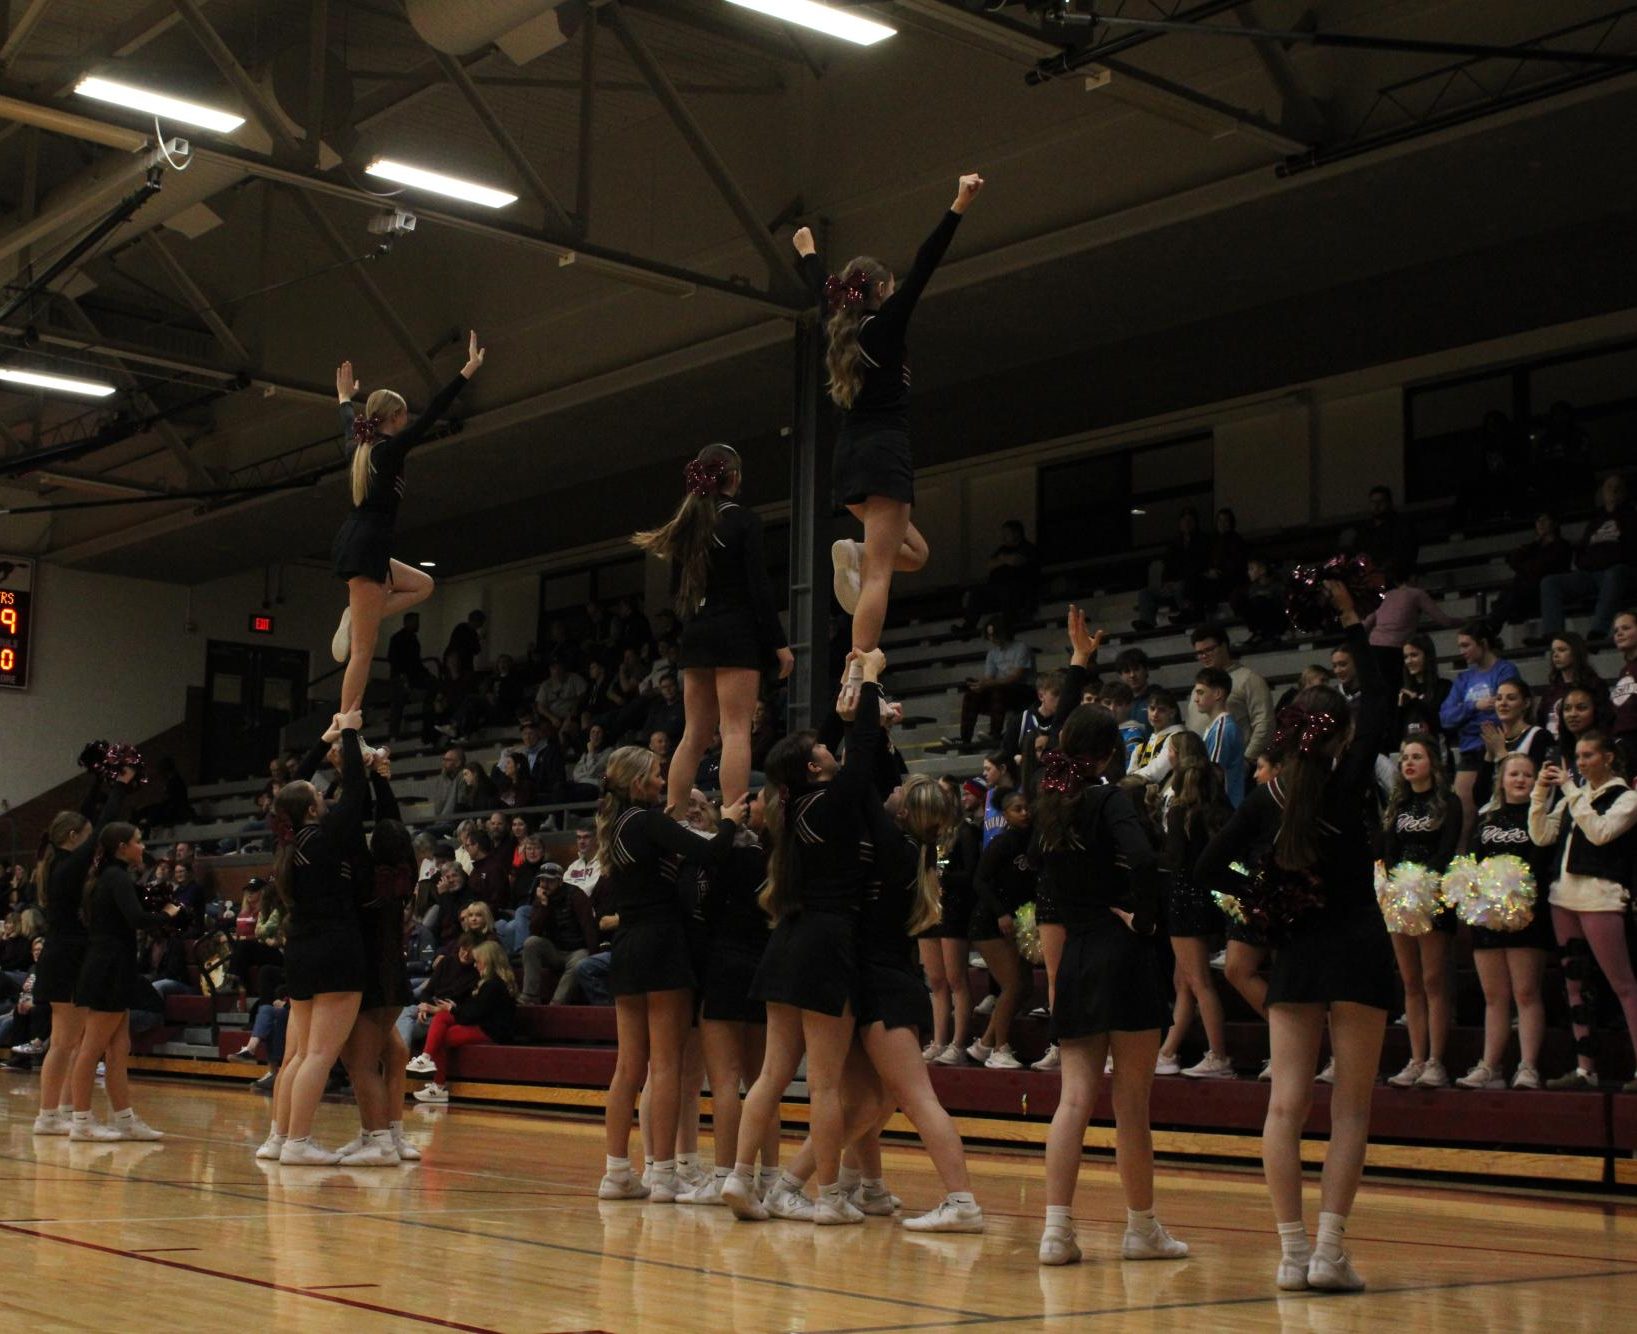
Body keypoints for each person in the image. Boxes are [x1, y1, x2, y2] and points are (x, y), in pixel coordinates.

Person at [1196, 581, 1394, 1293]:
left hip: (1299, 959)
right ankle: (1330, 1253)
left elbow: (1202, 870)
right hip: (1360, 955)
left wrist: (1262, 900)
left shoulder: (1263, 800)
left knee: (1285, 1105)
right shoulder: (1345, 786)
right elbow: (1376, 699)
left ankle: (1290, 1253)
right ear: (1339, 735)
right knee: (1349, 1107)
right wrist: (1350, 621)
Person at [1034, 608, 1188, 1267]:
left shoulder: (1049, 796)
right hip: (1121, 953)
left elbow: (1052, 739)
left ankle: (1055, 1232)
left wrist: (1076, 666)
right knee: (1131, 1106)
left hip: (1072, 957)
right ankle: (1139, 1228)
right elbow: (1149, 864)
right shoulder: (1108, 798)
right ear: (1109, 754)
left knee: (1072, 1099)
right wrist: (1148, 920)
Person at [793, 176, 985, 687]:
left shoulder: (843, 324)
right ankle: (858, 673)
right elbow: (926, 263)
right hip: (883, 454)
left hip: (851, 461)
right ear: (881, 291)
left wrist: (809, 250)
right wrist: (959, 205)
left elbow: (821, 286)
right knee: (879, 575)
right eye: (890, 287)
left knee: (915, 556)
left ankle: (855, 552)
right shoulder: (884, 325)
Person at [722, 650, 888, 1221]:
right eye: (822, 749)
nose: (828, 748)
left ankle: (741, 1178)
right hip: (825, 943)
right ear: (816, 768)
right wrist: (867, 686)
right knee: (823, 1084)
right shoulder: (834, 801)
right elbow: (861, 761)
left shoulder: (794, 809)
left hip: (787, 941)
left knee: (771, 1073)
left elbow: (817, 751)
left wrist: (842, 710)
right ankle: (828, 1199)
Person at [596, 747, 744, 1202]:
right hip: (661, 945)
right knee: (665, 1066)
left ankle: (616, 1172)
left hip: (626, 948)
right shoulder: (646, 821)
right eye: (657, 776)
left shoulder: (616, 828)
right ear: (638, 782)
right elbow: (710, 852)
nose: (663, 783)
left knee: (627, 1069)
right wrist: (732, 820)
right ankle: (662, 1174)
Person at [633, 442, 794, 817]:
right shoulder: (745, 521)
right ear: (734, 477)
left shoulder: (688, 526)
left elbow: (677, 593)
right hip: (735, 631)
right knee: (736, 729)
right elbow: (760, 589)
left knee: (694, 734)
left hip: (697, 632)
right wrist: (779, 644)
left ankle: (671, 816)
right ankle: (733, 818)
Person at [328, 335, 485, 716]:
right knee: (364, 652)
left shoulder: (359, 446)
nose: (408, 420)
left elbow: (349, 421)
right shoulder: (387, 449)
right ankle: (346, 725)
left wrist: (345, 398)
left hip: (366, 543)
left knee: (424, 585)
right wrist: (467, 371)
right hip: (365, 547)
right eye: (403, 415)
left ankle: (355, 615)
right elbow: (434, 412)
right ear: (394, 418)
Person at [259, 714, 370, 1166]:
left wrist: (321, 743)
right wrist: (349, 738)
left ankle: (280, 1137)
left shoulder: (287, 842)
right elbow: (359, 793)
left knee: (300, 1054)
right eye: (318, 796)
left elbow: (292, 790)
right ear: (309, 810)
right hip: (334, 949)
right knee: (319, 1056)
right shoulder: (325, 836)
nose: (324, 795)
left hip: (301, 951)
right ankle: (298, 1144)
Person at [29, 765, 137, 1136]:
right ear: (74, 837)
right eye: (87, 837)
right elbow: (103, 825)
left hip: (60, 953)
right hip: (70, 955)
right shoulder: (70, 864)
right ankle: (67, 1116)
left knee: (64, 1041)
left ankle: (53, 1113)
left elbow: (88, 818)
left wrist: (97, 782)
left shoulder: (57, 861)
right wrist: (120, 788)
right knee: (67, 1042)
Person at [1528, 731, 1637, 1092]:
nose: (1581, 762)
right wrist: (1541, 793)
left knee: (1623, 985)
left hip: (1600, 899)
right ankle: (1585, 1068)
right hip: (1563, 899)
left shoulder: (1626, 798)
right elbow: (1541, 836)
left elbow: (1600, 832)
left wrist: (1571, 791)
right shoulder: (1574, 798)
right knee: (1575, 985)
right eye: (1578, 755)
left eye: (1589, 754)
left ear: (1608, 757)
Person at [67, 822, 181, 1141]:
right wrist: (169, 915)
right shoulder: (116, 877)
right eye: (138, 841)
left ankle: (125, 1120)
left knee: (119, 1047)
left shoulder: (110, 876)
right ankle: (81, 1121)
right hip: (108, 967)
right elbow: (137, 918)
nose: (142, 847)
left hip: (114, 965)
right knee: (91, 1048)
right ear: (121, 847)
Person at [1456, 753, 1557, 1090]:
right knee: (1494, 996)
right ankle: (1491, 1066)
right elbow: (1472, 863)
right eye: (1514, 774)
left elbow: (1541, 866)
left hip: (1527, 915)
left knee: (1526, 993)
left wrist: (1517, 897)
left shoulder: (1539, 818)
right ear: (1502, 779)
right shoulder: (1487, 820)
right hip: (1487, 917)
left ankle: (1528, 1067)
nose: (1520, 780)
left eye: (1528, 775)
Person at [1380, 737, 1461, 1089]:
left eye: (1417, 756)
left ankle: (1436, 1061)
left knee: (1432, 980)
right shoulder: (1398, 804)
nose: (1409, 762)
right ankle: (1415, 1058)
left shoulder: (1448, 802)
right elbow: (1389, 850)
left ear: (1433, 762)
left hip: (1433, 894)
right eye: (1405, 758)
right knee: (1410, 982)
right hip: (1400, 896)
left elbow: (1446, 851)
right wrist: (1394, 885)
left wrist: (1423, 884)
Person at [1153, 732, 1234, 1080]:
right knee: (1184, 981)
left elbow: (1170, 860)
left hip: (1184, 900)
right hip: (1202, 900)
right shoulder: (1214, 812)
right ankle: (1168, 1052)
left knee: (1198, 982)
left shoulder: (1181, 815)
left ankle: (1219, 1056)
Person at [965, 792, 1034, 1071]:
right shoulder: (1002, 843)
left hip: (1015, 922)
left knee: (1025, 986)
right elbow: (980, 880)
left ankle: (983, 1045)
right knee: (1013, 985)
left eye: (1026, 807)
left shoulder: (1031, 842)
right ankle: (999, 1049)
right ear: (1004, 815)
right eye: (1017, 809)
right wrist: (1000, 913)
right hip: (989, 923)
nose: (1025, 812)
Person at [1440, 622, 1522, 850]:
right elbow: (1446, 717)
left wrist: (1467, 713)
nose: (1461, 651)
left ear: (1483, 644)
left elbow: (1502, 710)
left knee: (1496, 814)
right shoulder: (1464, 679)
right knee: (1463, 819)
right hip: (1469, 752)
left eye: (1466, 645)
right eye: (1459, 645)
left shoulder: (1505, 671)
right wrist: (1475, 705)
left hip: (1498, 746)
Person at [409, 940, 518, 1104]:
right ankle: (426, 1061)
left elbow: (473, 1015)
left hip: (492, 1031)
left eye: (478, 961)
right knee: (441, 1018)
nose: (475, 966)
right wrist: (453, 1009)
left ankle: (435, 1079)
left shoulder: (493, 985)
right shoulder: (491, 983)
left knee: (442, 1036)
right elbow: (473, 1011)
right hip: (484, 1026)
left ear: (487, 961)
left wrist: (453, 1009)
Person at [924, 777, 981, 1066]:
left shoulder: (965, 831)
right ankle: (938, 1040)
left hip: (954, 909)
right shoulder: (929, 833)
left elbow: (971, 874)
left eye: (945, 792)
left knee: (956, 978)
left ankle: (959, 1043)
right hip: (930, 910)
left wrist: (942, 878)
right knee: (935, 981)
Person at [1537, 475, 1635, 641]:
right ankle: (1555, 634)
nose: (1613, 490)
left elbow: (1631, 549)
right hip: (1591, 573)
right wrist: (1588, 563)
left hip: (1617, 571)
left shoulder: (1631, 517)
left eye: (1617, 486)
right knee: (1550, 582)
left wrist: (1607, 559)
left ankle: (1598, 632)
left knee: (1615, 573)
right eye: (1609, 487)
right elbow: (1582, 551)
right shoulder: (1595, 521)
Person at [1362, 565, 1458, 693]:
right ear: (1413, 578)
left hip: (1374, 649)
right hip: (1395, 649)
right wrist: (1464, 620)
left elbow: (1366, 623)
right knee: (1396, 689)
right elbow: (1444, 620)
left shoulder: (1387, 596)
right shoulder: (1416, 593)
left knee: (1383, 691)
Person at [1186, 624, 1272, 761]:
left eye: (1209, 650)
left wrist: (1247, 760)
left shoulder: (1249, 679)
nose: (1204, 656)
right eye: (1199, 653)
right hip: (1202, 767)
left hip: (1233, 766)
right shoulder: (1201, 683)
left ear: (1224, 646)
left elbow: (1264, 724)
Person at [952, 613, 1036, 751]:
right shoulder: (992, 653)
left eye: (994, 635)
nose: (992, 638)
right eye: (989, 635)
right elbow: (989, 678)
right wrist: (979, 685)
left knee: (998, 691)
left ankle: (995, 733)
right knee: (971, 695)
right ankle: (964, 738)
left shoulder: (1021, 648)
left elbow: (1016, 676)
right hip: (1000, 689)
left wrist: (991, 684)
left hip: (1022, 690)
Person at [519, 864, 597, 1006]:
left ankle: (557, 1003)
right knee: (531, 943)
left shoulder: (576, 895)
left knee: (581, 960)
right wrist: (543, 905)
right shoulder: (541, 898)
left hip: (576, 950)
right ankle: (530, 996)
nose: (545, 885)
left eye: (550, 881)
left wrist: (593, 954)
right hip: (554, 949)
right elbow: (534, 930)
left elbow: (589, 926)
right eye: (542, 880)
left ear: (560, 881)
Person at [1473, 679, 1551, 810]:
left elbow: (1537, 788)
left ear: (1526, 703)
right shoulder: (1494, 738)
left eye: (1511, 698)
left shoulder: (1540, 737)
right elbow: (1480, 798)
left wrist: (1501, 752)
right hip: (1494, 818)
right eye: (1498, 698)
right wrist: (1489, 756)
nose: (1503, 703)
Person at [954, 520, 1041, 634]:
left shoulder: (1027, 547)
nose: (1003, 536)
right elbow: (989, 564)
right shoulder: (1002, 549)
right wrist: (1005, 559)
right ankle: (968, 627)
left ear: (1016, 533)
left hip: (1018, 591)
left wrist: (1001, 559)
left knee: (1007, 590)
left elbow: (1015, 561)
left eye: (1007, 533)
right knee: (976, 592)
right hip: (995, 590)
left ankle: (1009, 623)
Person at [1490, 512, 1572, 632]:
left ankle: (1491, 627)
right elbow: (1513, 560)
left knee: (1512, 593)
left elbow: (1542, 569)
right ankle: (1492, 627)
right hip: (1527, 588)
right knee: (1508, 592)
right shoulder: (1533, 547)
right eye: (1538, 521)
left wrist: (1523, 567)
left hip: (1544, 591)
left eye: (1545, 520)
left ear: (1554, 524)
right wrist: (1533, 545)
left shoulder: (1562, 546)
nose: (1540, 524)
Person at [1133, 507, 1209, 631]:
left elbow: (1200, 566)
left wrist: (1179, 581)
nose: (1187, 524)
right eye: (1184, 521)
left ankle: (1187, 614)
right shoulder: (1174, 545)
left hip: (1191, 585)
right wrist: (1167, 583)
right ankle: (1147, 622)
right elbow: (1167, 566)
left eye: (1190, 521)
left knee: (1181, 586)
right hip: (1173, 586)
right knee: (1145, 593)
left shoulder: (1203, 542)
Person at [1193, 666, 1246, 808]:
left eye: (1200, 693)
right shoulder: (1216, 727)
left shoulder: (1222, 729)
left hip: (1223, 809)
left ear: (1217, 693)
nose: (1195, 699)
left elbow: (1213, 773)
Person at [1537, 633, 1605, 742]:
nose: (1556, 655)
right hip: (1553, 747)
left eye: (1562, 650)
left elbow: (1603, 720)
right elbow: (1541, 720)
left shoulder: (1593, 685)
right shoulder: (1551, 690)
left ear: (1576, 652)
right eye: (1553, 651)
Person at [386, 611, 437, 742]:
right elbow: (400, 660)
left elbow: (412, 661)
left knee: (398, 705)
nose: (417, 625)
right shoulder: (404, 639)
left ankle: (394, 734)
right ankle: (393, 733)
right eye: (415, 622)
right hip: (403, 676)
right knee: (397, 704)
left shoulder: (403, 638)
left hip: (407, 676)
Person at [1397, 633, 1452, 749]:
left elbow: (1443, 724)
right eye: (1406, 657)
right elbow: (1396, 734)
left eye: (1414, 655)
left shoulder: (1444, 687)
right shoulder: (1404, 692)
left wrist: (1416, 702)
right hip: (1411, 754)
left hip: (1438, 754)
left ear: (1427, 656)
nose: (1408, 661)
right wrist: (1400, 709)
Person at [1354, 485, 1417, 575]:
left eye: (1380, 502)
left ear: (1389, 503)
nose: (1376, 506)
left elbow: (1404, 554)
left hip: (1393, 574)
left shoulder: (1400, 526)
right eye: (1373, 502)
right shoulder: (1366, 528)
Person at [1131, 688, 1185, 785]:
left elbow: (1157, 771)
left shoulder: (1178, 737)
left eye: (1161, 710)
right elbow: (1130, 773)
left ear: (1172, 713)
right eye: (1152, 708)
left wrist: (1130, 779)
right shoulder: (1142, 747)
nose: (1155, 714)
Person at [1612, 609, 1637, 776]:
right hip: (1624, 743)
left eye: (1626, 628)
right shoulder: (1624, 671)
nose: (1619, 633)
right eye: (1616, 631)